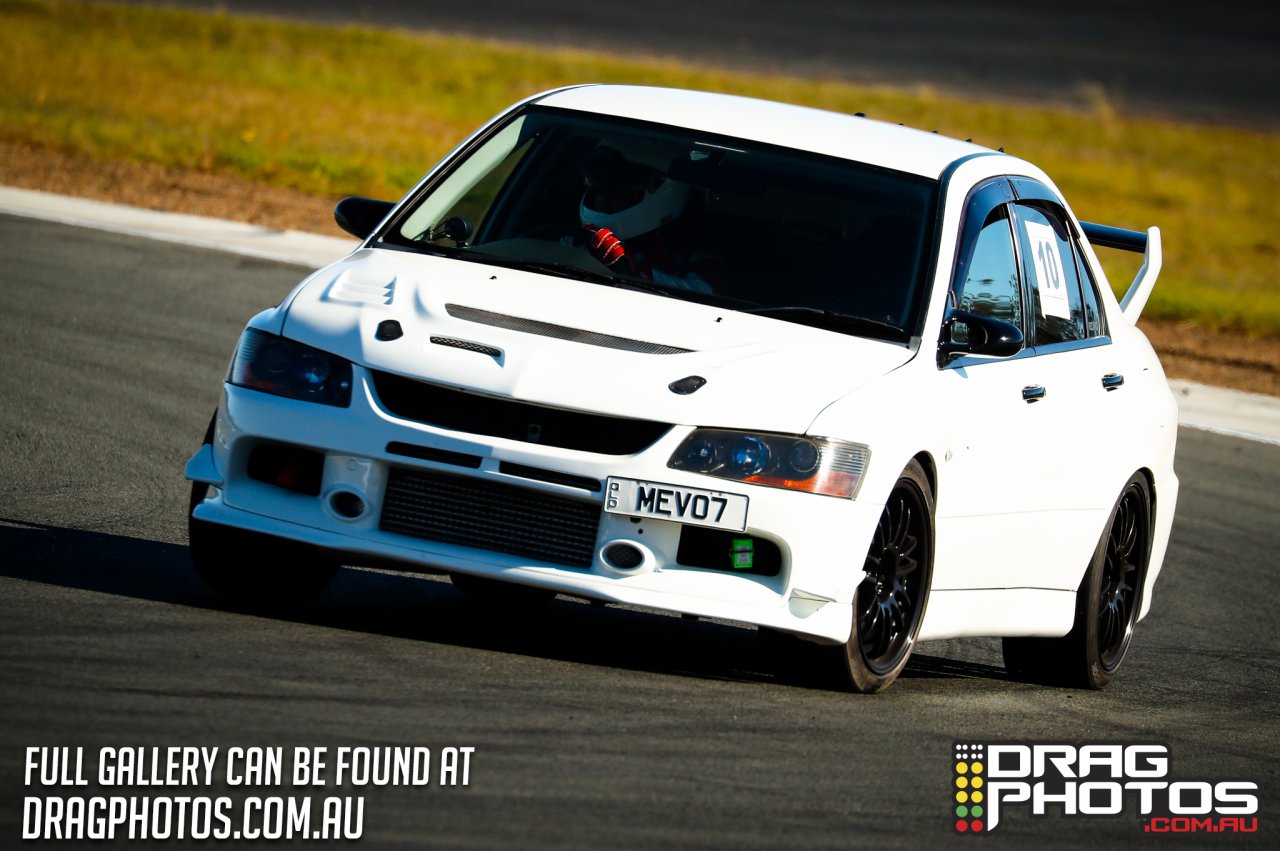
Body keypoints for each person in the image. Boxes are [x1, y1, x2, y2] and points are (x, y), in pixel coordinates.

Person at [574, 144, 726, 294]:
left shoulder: (693, 248)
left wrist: (634, 274)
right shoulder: (580, 241)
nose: (603, 200)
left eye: (616, 190)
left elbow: (707, 292)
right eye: (600, 188)